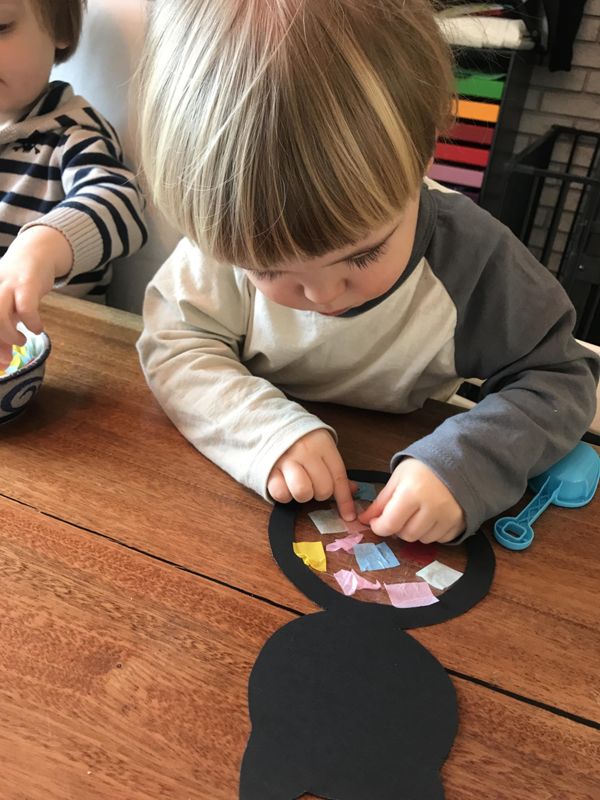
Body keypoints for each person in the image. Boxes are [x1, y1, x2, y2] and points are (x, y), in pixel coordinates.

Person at [136, 0, 599, 544]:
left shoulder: (474, 258)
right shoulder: (225, 239)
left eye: (361, 256)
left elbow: (558, 379)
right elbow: (174, 343)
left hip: (410, 460)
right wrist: (262, 431)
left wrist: (468, 462)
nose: (323, 295)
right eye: (267, 269)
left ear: (424, 152)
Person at [0, 0, 147, 368]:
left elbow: (120, 204)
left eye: (1, 28)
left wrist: (39, 248)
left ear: (59, 30)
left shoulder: (73, 135)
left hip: (59, 355)